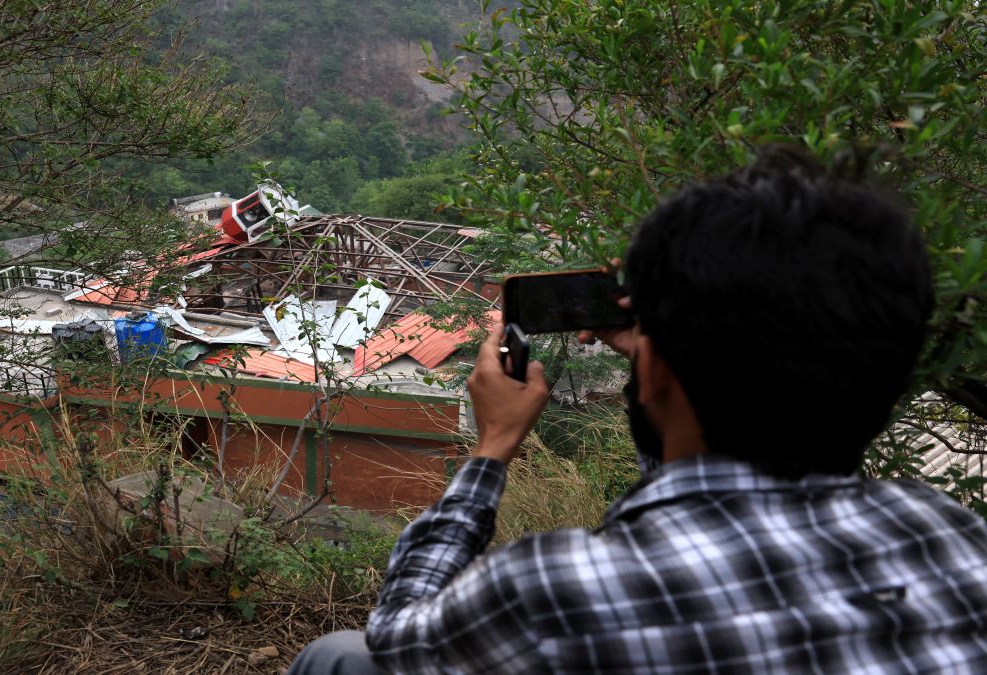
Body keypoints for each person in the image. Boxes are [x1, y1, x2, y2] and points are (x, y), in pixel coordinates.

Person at [288, 146, 987, 673]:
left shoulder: (556, 591)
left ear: (656, 372)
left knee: (341, 657)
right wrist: (660, 372)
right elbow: (712, 489)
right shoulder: (953, 538)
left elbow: (401, 634)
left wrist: (492, 445)